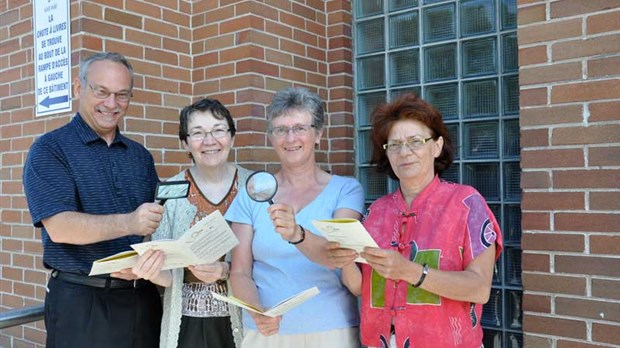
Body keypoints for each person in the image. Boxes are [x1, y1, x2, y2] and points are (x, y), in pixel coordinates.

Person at [326, 93, 503, 348]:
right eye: (394, 145)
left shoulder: (466, 204)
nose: (404, 152)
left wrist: (410, 271)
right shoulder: (376, 213)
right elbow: (362, 289)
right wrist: (344, 263)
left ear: (437, 146)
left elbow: (479, 288)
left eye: (415, 141)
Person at [22, 52, 163, 348]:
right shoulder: (50, 149)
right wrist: (130, 221)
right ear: (78, 88)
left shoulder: (140, 157)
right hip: (81, 302)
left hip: (142, 300)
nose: (112, 104)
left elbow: (153, 228)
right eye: (102, 92)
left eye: (122, 95)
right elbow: (61, 227)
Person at [225, 87, 365, 348]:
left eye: (300, 127)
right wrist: (257, 311)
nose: (290, 138)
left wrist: (297, 234)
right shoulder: (251, 193)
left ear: (318, 134)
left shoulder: (346, 190)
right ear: (271, 137)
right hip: (266, 333)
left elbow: (336, 256)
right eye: (281, 129)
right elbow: (240, 271)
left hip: (331, 329)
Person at [131, 98, 252, 348]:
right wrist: (152, 272)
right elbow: (167, 275)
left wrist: (226, 270)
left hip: (246, 319)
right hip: (185, 322)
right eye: (198, 133)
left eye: (218, 130)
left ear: (232, 136)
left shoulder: (254, 186)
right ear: (185, 142)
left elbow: (271, 260)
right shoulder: (169, 191)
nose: (209, 141)